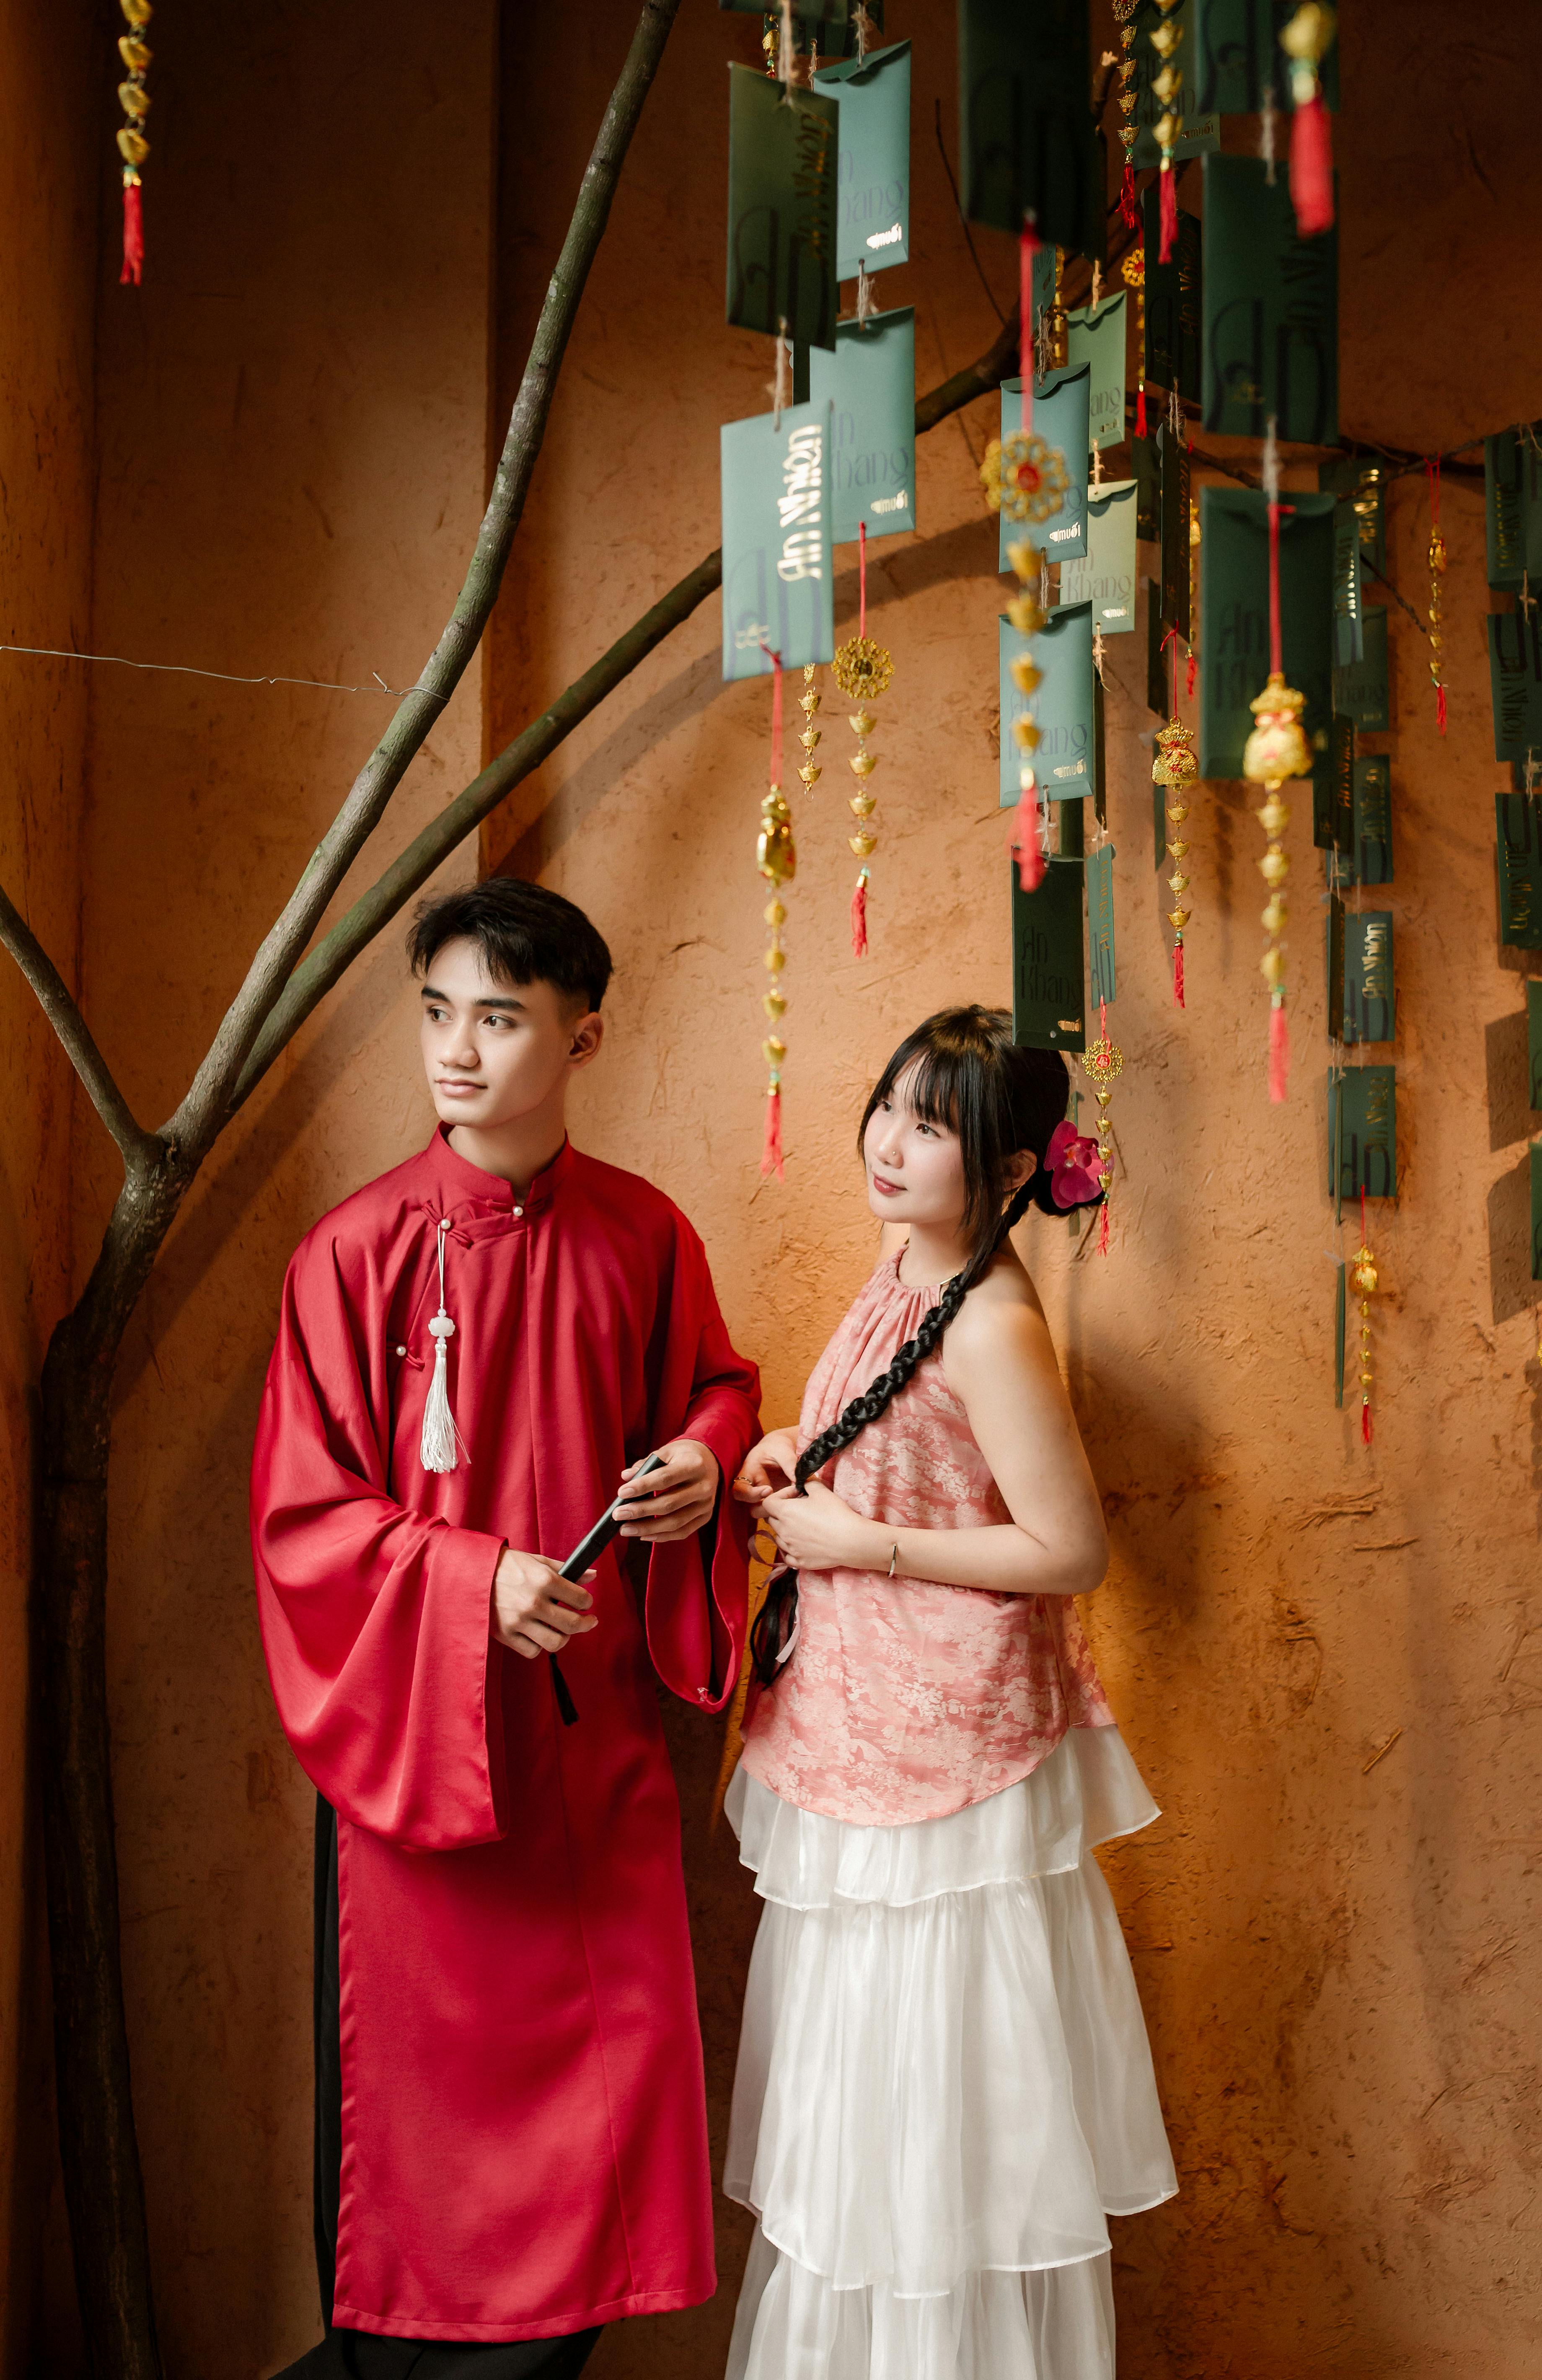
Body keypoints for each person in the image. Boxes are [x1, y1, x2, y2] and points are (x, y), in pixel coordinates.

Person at [250, 878, 761, 2378]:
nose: (456, 1051)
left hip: (593, 1763)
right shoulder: (350, 1255)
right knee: (419, 2151)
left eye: (499, 1016)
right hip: (421, 1767)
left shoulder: (644, 1233)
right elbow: (300, 1520)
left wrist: (705, 1460)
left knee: (599, 2127)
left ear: (584, 1037)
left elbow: (717, 1387)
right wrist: (472, 1580)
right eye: (437, 1013)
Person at [723, 1005, 1176, 2380]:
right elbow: (898, 1427)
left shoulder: (989, 1320)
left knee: (933, 2131)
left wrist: (867, 1542)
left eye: (936, 1128)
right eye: (893, 1107)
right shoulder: (904, 1264)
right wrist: (801, 1448)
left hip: (953, 1775)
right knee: (854, 2130)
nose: (891, 1143)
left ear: (1011, 1172)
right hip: (856, 1739)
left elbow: (1070, 1548)